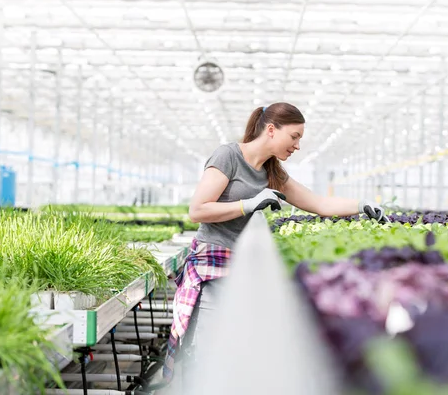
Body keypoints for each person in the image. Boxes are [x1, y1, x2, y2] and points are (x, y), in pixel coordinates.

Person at [162, 102, 386, 387]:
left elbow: (319, 204)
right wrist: (247, 204)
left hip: (243, 270)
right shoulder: (228, 156)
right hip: (212, 273)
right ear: (271, 130)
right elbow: (197, 210)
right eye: (294, 137)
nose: (298, 146)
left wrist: (361, 205)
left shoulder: (273, 173)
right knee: (206, 355)